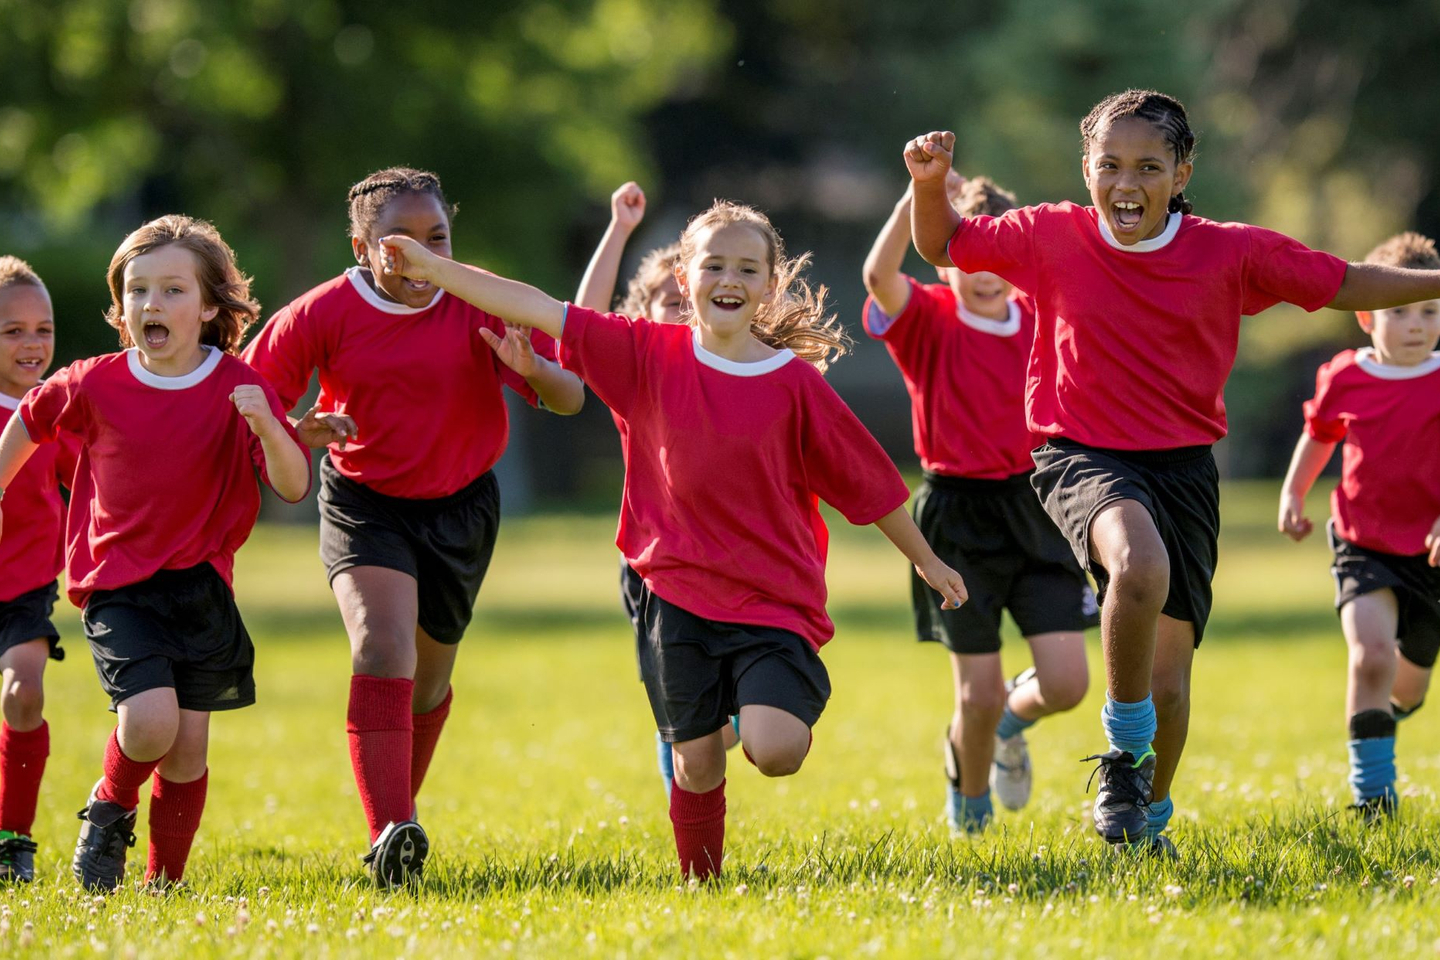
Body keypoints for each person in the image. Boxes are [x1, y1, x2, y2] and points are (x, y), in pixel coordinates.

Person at [906, 88, 1440, 853]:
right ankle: (1123, 758)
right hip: (1080, 452)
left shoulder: (1231, 252)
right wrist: (930, 187)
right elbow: (945, 247)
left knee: (1171, 685)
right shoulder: (1049, 235)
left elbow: (1349, 283)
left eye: (1150, 167)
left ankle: (1146, 827)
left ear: (1183, 171)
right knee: (1137, 560)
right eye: (1110, 165)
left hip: (1184, 470)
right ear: (1085, 168)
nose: (1127, 184)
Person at [375, 199, 968, 880]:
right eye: (713, 264)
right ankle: (702, 884)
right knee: (694, 762)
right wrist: (431, 267)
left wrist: (926, 560)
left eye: (747, 267)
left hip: (773, 603)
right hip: (677, 601)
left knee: (776, 748)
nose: (729, 277)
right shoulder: (646, 354)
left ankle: (757, 707)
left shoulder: (795, 386)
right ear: (683, 280)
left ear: (770, 286)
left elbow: (870, 483)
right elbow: (536, 305)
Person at [241, 167, 585, 888]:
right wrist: (296, 431)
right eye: (401, 243)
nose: (421, 258)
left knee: (427, 687)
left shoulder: (478, 299)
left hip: (462, 509)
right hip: (366, 502)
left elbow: (569, 396)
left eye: (439, 238)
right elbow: (249, 399)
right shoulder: (321, 313)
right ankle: (391, 835)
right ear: (362, 245)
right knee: (379, 646)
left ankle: (397, 814)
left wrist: (532, 369)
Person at [0, 216, 311, 891]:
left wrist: (267, 422)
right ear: (122, 310)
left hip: (202, 588)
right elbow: (30, 418)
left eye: (172, 290)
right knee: (149, 724)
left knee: (188, 751)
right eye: (137, 291)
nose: (152, 305)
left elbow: (292, 484)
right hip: (118, 585)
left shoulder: (238, 386)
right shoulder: (96, 382)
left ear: (207, 307)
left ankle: (162, 883)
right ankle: (109, 806)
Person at [862, 175, 1094, 834]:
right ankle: (970, 815)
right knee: (978, 693)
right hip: (958, 522)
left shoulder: (1042, 318)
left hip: (1038, 509)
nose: (986, 272)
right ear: (942, 259)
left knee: (1067, 683)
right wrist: (919, 191)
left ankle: (1007, 731)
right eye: (968, 255)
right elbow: (878, 274)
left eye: (998, 256)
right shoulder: (926, 317)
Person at [572, 181, 740, 796]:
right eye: (665, 303)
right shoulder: (637, 370)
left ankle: (699, 735)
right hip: (654, 565)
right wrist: (618, 229)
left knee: (732, 714)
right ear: (640, 317)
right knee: (689, 708)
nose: (679, 312)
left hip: (737, 558)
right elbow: (582, 321)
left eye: (685, 302)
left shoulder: (736, 364)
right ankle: (682, 769)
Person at [1278, 231, 1440, 821]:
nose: (1417, 325)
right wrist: (1294, 493)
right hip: (1362, 541)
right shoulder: (1345, 376)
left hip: (1430, 553)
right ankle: (1373, 796)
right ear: (1368, 317)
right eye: (1400, 312)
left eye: (1430, 311)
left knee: (1409, 686)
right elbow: (1320, 436)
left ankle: (1378, 720)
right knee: (1370, 657)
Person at [0, 257, 71, 882]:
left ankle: (12, 839)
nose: (32, 343)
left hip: (24, 589)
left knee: (23, 695)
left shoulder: (56, 412)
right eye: (13, 331)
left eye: (43, 329)